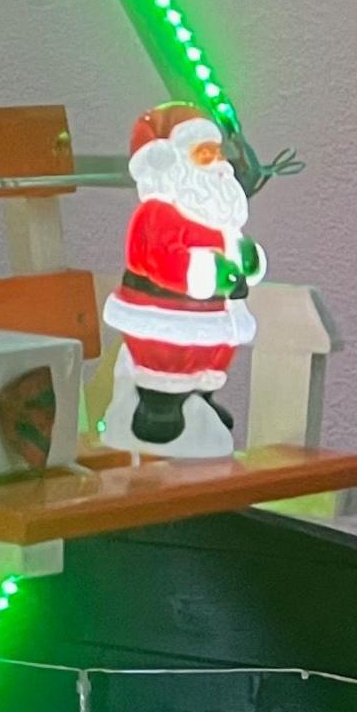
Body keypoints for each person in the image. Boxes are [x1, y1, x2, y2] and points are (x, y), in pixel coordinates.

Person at [100, 102, 261, 458]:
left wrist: (247, 260)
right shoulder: (158, 213)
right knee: (167, 360)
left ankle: (199, 396)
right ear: (172, 162)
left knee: (208, 359)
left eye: (217, 152)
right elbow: (159, 258)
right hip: (164, 313)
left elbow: (230, 243)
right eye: (204, 153)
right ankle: (158, 407)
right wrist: (207, 271)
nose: (217, 162)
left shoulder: (216, 212)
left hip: (214, 311)